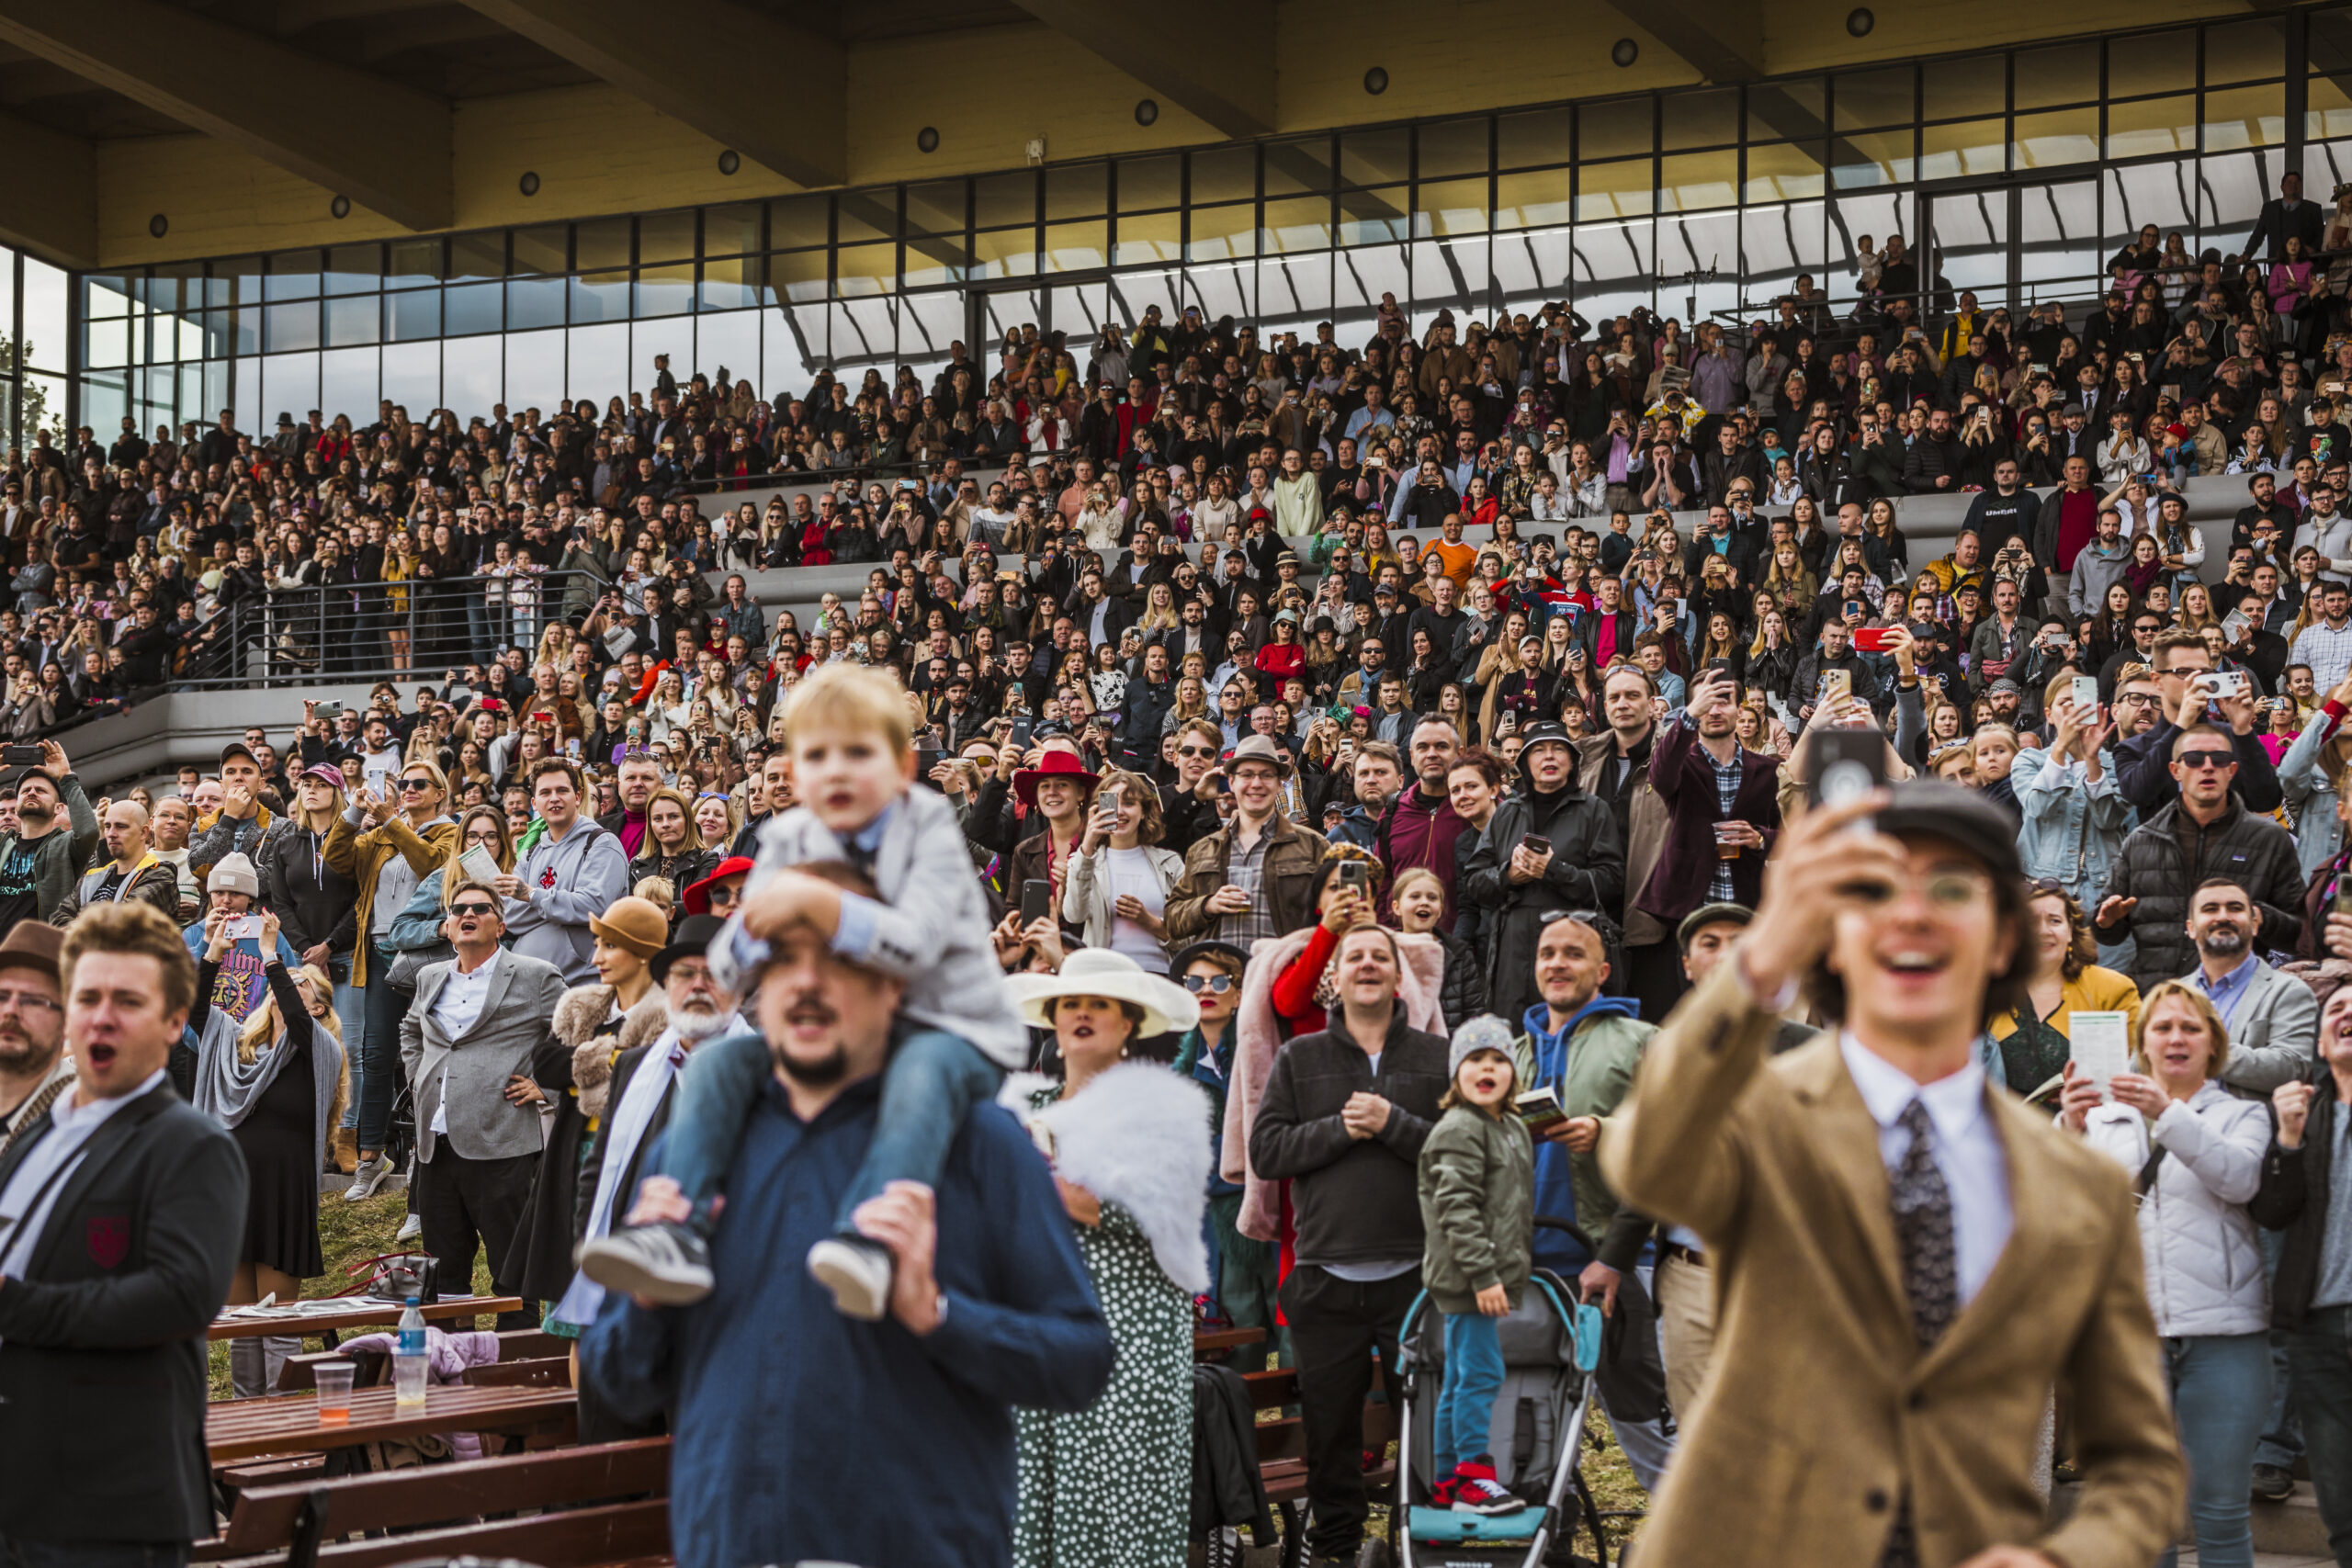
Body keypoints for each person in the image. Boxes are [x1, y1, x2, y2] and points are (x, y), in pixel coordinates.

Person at [1601, 783, 2185, 1568]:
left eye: (1951, 889)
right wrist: (1761, 955)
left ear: (2005, 940)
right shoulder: (1758, 1117)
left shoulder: (2080, 1187)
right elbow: (1646, 1158)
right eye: (1875, 891)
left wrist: (2061, 1556)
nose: (1912, 914)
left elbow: (2140, 1467)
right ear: (1833, 938)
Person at [580, 864, 1115, 1568]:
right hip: (732, 1543)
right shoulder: (695, 1148)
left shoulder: (980, 1141)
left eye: (840, 957)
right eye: (784, 958)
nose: (808, 982)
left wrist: (940, 1314)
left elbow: (1081, 1360)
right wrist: (645, 1304)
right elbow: (617, 1379)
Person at [580, 664, 1028, 1323]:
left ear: (903, 767)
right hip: (843, 1029)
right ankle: (678, 1228)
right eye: (817, 756)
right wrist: (755, 928)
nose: (836, 771)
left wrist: (819, 905)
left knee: (922, 1068)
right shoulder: (789, 835)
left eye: (859, 753)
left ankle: (871, 1237)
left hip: (950, 1027)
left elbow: (916, 944)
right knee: (723, 1061)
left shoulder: (927, 822)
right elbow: (730, 961)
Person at [0, 901, 245, 1564]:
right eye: (87, 998)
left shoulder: (192, 1143)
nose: (102, 1016)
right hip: (19, 1489)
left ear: (174, 1022)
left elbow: (182, 1296)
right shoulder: (40, 1131)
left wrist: (14, 1305)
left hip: (106, 1505)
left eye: (128, 1001)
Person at [1247, 923, 1448, 1567]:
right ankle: (1334, 1549)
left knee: (1427, 1427)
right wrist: (1340, 1128)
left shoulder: (1437, 1057)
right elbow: (1266, 1150)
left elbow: (1463, 1152)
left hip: (1416, 1279)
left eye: (1379, 956)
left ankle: (1422, 1545)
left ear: (1397, 975)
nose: (1366, 964)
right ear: (1333, 976)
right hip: (1325, 1277)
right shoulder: (1300, 1058)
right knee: (1330, 1430)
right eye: (1353, 955)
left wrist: (1393, 1124)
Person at [1001, 947, 1207, 1568]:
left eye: (1100, 1004)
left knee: (1120, 1497)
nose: (1082, 1013)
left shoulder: (1164, 1108)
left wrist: (1038, 1184)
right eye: (1071, 1003)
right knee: (1034, 1493)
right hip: (1039, 1325)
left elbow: (1144, 1210)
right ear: (1053, 1020)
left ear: (1129, 1024)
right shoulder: (1020, 1110)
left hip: (1131, 1333)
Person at [2059, 981, 2270, 1568]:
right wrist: (2070, 1129)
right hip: (2129, 1340)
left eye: (2190, 1028)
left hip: (2225, 1337)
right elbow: (2058, 1208)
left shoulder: (2244, 1114)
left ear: (2213, 1044)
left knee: (2221, 1513)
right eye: (2163, 1028)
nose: (2176, 1038)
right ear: (2142, 1043)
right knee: (2144, 1519)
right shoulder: (2102, 1119)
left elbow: (2240, 1180)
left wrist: (2167, 1112)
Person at [552, 913, 742, 1441]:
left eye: (714, 974)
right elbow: (596, 1171)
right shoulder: (636, 1064)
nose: (698, 985)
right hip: (620, 1298)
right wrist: (591, 1251)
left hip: (716, 1303)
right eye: (684, 974)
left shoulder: (765, 1071)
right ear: (667, 985)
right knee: (612, 1460)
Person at [1506, 907, 1670, 1488]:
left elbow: (1671, 1147)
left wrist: (1607, 1131)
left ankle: (1696, 1528)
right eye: (1547, 953)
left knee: (1647, 1420)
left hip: (1615, 1264)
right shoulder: (1513, 1054)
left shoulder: (1643, 1041)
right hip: (1531, 1271)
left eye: (1573, 954)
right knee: (1537, 1436)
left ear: (1602, 972)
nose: (1558, 964)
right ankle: (1557, 1531)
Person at [188, 906, 343, 1399]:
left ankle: (283, 1422)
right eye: (285, 982)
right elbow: (195, 1011)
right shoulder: (237, 1047)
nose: (288, 987)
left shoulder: (318, 1050)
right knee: (241, 1325)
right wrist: (214, 951)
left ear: (318, 1008)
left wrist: (273, 956)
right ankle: (246, 1421)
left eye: (301, 985)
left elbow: (295, 1021)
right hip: (234, 1195)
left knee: (275, 1322)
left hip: (282, 1196)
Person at [400, 876, 567, 1330]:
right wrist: (419, 1078)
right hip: (435, 1145)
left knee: (512, 1269)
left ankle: (517, 1363)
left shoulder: (536, 975)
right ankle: (452, 1362)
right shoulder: (430, 976)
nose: (467, 915)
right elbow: (410, 1030)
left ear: (501, 924)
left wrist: (547, 1088)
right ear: (448, 925)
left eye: (480, 908)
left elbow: (577, 1033)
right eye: (458, 909)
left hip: (503, 1141)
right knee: (443, 1271)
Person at [509, 895, 670, 1319]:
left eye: (610, 945)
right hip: (571, 1154)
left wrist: (582, 1067)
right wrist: (610, 1057)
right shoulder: (582, 1005)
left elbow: (647, 1078)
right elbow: (546, 1064)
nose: (596, 957)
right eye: (597, 944)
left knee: (619, 1298)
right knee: (566, 1286)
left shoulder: (669, 1017)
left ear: (642, 952)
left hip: (634, 1161)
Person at [326, 756, 458, 1200]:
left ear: (440, 793)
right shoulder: (381, 834)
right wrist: (354, 811)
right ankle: (370, 1157)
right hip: (381, 954)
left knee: (434, 1054)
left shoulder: (450, 833)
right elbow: (337, 857)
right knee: (376, 1055)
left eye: (421, 783)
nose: (410, 788)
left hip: (431, 954)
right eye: (405, 783)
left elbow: (431, 867)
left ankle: (435, 1155)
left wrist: (391, 822)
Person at [1419, 1014, 1535, 1515]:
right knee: (1482, 1374)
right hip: (1470, 1279)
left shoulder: (1509, 1127)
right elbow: (1456, 1209)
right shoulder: (1461, 1128)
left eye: (1498, 1060)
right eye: (1474, 1059)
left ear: (1513, 1072)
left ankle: (1447, 1480)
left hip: (1484, 1276)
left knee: (1462, 1376)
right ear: (1455, 1074)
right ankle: (1472, 1476)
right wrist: (1484, 1276)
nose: (1487, 1069)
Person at [2096, 731, 2306, 991]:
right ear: (2175, 770)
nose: (2207, 767)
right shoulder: (2141, 841)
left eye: (2219, 759)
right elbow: (2106, 928)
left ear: (2232, 770)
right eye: (2194, 759)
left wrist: (2261, 917)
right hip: (2159, 998)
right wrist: (2108, 922)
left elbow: (2301, 934)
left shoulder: (2269, 840)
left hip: (2239, 998)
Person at [1459, 720, 1626, 1023]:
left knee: (1572, 1035)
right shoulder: (1506, 813)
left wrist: (1554, 870)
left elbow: (1612, 882)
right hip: (1513, 952)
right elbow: (1474, 881)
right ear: (1525, 763)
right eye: (1538, 750)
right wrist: (1509, 875)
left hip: (1573, 945)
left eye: (1558, 749)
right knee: (1517, 1039)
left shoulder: (1593, 810)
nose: (1549, 756)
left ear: (1572, 761)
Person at [1168, 939, 1277, 1358]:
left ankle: (1287, 1400)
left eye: (1219, 981)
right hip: (1217, 1226)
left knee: (1286, 1336)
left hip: (1272, 1212)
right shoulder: (1179, 1071)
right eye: (1194, 982)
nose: (1205, 990)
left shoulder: (1265, 1051)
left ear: (1240, 993)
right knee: (1236, 1334)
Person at [1164, 735, 1329, 947]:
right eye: (1247, 775)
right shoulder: (1204, 849)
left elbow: (1336, 915)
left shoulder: (1312, 845)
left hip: (1286, 967)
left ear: (1279, 784)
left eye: (1267, 775)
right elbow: (1172, 920)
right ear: (1232, 783)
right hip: (1220, 967)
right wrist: (1207, 905)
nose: (1256, 784)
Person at [1990, 883, 2142, 1093]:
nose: (2043, 931)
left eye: (2055, 920)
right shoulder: (1988, 991)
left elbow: (2138, 1072)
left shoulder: (2113, 990)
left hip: (2091, 1112)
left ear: (2070, 931)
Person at [499, 756, 630, 984]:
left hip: (582, 984)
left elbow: (593, 906)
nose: (554, 798)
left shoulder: (602, 843)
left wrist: (532, 896)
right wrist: (562, 906)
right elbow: (510, 915)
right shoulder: (530, 854)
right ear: (534, 803)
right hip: (527, 983)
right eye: (545, 792)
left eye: (562, 790)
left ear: (577, 797)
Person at [1064, 768, 1181, 973]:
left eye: (1129, 803)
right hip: (1104, 976)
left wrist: (1151, 923)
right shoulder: (1083, 861)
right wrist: (1088, 843)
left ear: (1143, 811)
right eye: (1111, 803)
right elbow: (1074, 914)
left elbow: (1191, 932)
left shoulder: (1170, 863)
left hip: (1159, 975)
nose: (1119, 811)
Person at [0, 742, 97, 927]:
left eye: (41, 790)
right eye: (25, 790)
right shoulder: (3, 844)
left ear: (58, 808)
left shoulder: (66, 845)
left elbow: (89, 831)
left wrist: (67, 777)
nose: (32, 793)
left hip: (44, 942)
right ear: (17, 805)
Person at [47, 799, 177, 925]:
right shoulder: (92, 876)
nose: (111, 834)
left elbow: (119, 919)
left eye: (121, 827)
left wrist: (80, 918)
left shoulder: (161, 875)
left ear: (143, 832)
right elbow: (57, 918)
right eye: (107, 826)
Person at [0, 922, 69, 1158]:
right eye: (2, 996)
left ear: (68, 1019)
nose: (11, 1010)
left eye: (33, 1000)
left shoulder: (80, 1115)